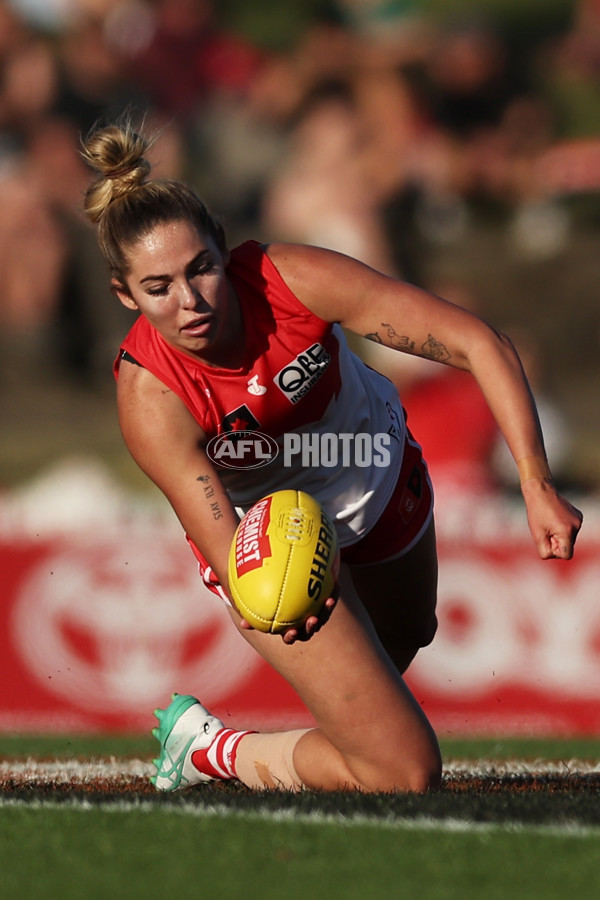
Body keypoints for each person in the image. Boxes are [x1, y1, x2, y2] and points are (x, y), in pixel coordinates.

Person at [80, 119, 582, 795]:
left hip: (378, 473)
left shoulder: (290, 279)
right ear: (125, 296)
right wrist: (276, 594)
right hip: (267, 536)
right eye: (158, 286)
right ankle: (210, 749)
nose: (190, 300)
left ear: (224, 251)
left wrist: (534, 481)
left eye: (201, 269)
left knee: (409, 636)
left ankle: (278, 741)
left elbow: (477, 341)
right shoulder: (152, 397)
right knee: (404, 772)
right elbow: (225, 547)